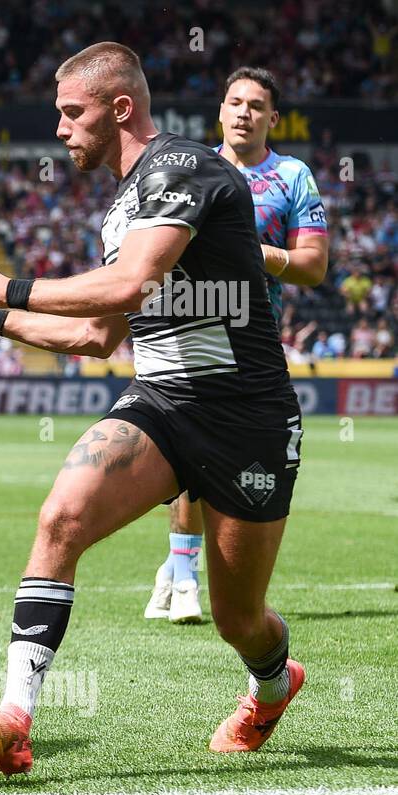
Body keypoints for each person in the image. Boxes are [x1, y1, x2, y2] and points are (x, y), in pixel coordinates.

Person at [0, 42, 306, 774]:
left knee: (239, 619)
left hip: (247, 417)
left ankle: (272, 683)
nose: (62, 129)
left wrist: (11, 288)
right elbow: (99, 335)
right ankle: (16, 714)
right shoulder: (119, 208)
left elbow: (131, 285)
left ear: (120, 108)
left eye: (73, 113)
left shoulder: (183, 170)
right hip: (161, 406)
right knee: (61, 516)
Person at [144, 66, 328, 625]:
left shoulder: (294, 177)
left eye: (256, 105)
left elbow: (314, 267)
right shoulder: (190, 169)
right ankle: (184, 581)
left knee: (231, 464)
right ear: (220, 112)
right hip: (191, 333)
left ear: (273, 118)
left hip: (255, 344)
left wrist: (258, 253)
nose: (244, 111)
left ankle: (176, 571)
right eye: (235, 101)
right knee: (189, 456)